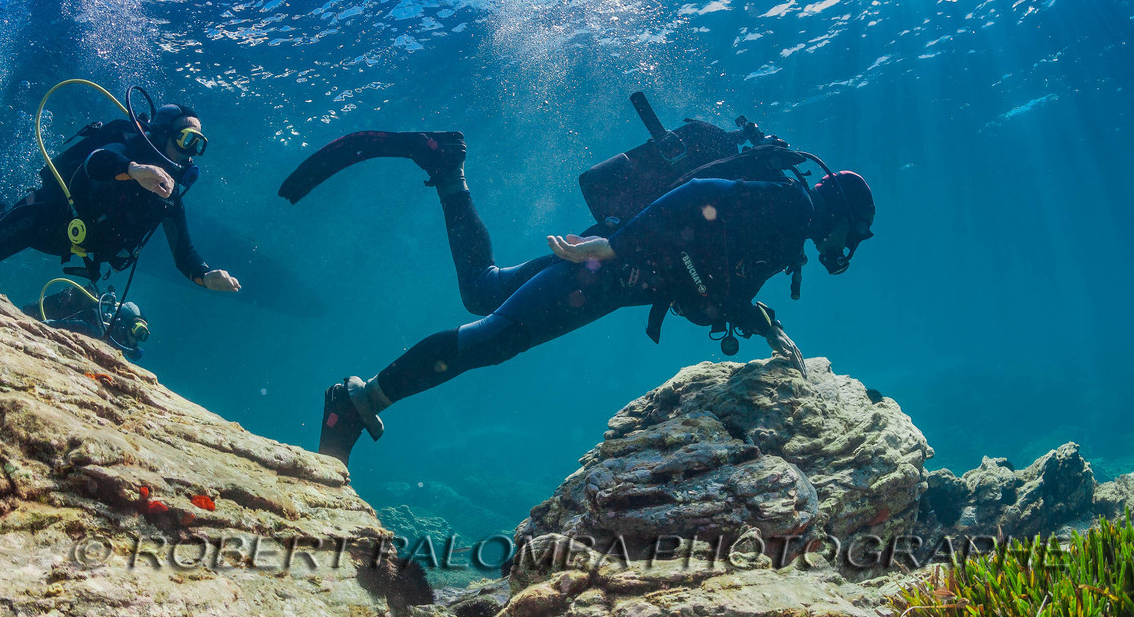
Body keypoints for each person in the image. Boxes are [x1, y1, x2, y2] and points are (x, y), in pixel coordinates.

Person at [288, 120, 875, 465]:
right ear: (840, 214)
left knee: (482, 291)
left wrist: (759, 320)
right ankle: (356, 401)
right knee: (495, 338)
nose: (847, 247)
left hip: (613, 265)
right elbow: (701, 195)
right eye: (854, 233)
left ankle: (444, 165)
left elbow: (711, 277)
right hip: (608, 268)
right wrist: (614, 248)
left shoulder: (786, 226)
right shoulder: (792, 207)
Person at [0, 104, 241, 294]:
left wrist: (205, 276)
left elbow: (184, 254)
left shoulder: (169, 195)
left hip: (79, 245)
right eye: (187, 139)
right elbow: (95, 162)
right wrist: (133, 170)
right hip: (48, 218)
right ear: (163, 134)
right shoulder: (126, 144)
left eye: (198, 145)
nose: (190, 153)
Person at [28, 284, 150, 361]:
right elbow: (54, 325)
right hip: (35, 316)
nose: (137, 339)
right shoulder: (96, 329)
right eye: (137, 330)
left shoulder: (110, 337)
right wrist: (39, 326)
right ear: (122, 325)